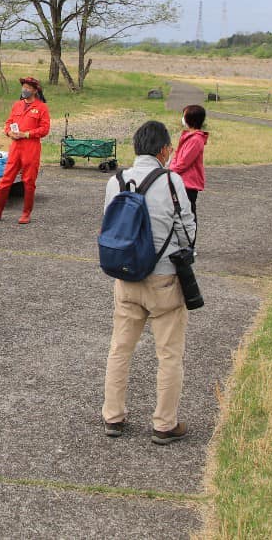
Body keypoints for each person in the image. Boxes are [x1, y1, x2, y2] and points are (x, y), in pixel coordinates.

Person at [101, 120, 197, 445]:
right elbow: (187, 230)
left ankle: (113, 416)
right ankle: (163, 424)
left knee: (120, 348)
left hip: (126, 278)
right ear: (164, 149)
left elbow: (110, 226)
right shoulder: (172, 181)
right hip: (165, 280)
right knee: (169, 354)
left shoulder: (116, 181)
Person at [0, 76, 50, 224]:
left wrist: (26, 134)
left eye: (27, 87)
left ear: (35, 90)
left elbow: (45, 129)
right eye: (23, 87)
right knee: (6, 179)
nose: (24, 90)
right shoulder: (17, 105)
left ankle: (26, 213)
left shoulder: (41, 108)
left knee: (29, 181)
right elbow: (8, 123)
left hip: (31, 147)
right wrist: (9, 132)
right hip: (15, 147)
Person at [167, 104, 209, 225]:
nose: (182, 118)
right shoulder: (189, 137)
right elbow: (178, 157)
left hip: (188, 184)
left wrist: (169, 172)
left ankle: (190, 242)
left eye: (184, 116)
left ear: (190, 119)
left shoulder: (195, 139)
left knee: (188, 216)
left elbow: (183, 163)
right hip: (181, 181)